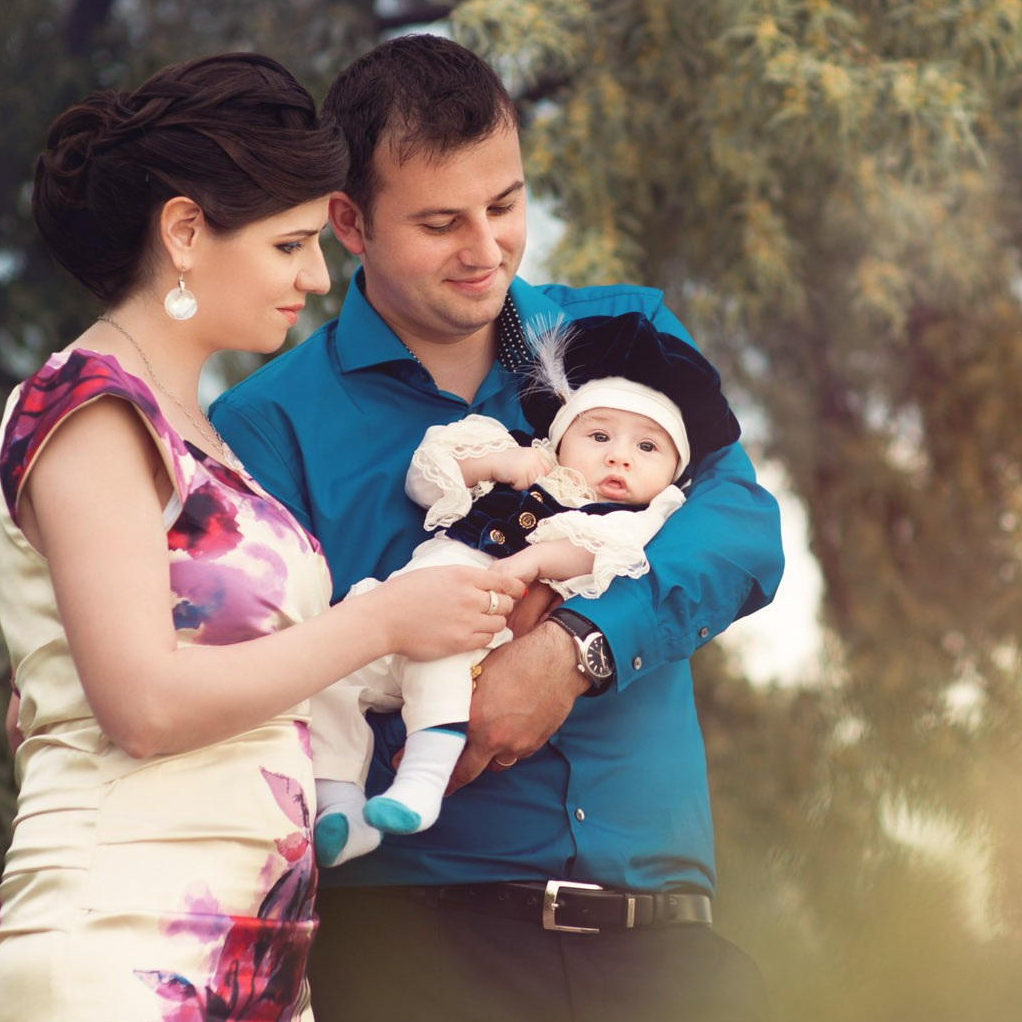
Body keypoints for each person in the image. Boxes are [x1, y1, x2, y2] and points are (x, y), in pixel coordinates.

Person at [211, 34, 786, 1022]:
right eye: (440, 224)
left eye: (506, 205)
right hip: (416, 978)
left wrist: (572, 652)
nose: (487, 251)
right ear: (348, 222)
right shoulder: (265, 427)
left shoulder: (623, 333)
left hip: (667, 960)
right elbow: (270, 689)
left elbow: (739, 529)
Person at [0, 52, 526, 1022]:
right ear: (183, 233)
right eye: (287, 243)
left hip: (250, 972)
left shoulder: (193, 429)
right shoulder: (90, 408)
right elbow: (144, 704)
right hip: (128, 957)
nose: (313, 278)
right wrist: (376, 622)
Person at [311, 311, 743, 864]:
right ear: (561, 438)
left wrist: (536, 559)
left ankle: (420, 781)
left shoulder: (629, 520)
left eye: (648, 449)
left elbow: (597, 554)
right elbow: (426, 477)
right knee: (329, 675)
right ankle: (341, 805)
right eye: (599, 435)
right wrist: (499, 461)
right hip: (398, 602)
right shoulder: (521, 458)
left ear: (672, 475)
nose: (619, 455)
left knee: (440, 659)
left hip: (478, 613)